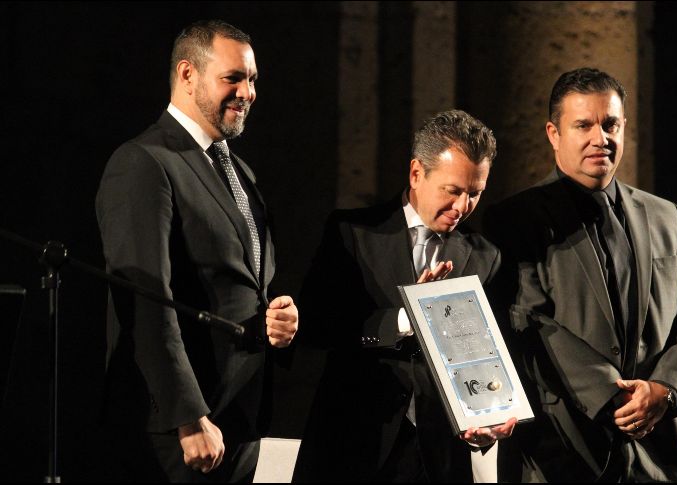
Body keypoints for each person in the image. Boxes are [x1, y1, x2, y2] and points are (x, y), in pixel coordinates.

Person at [95, 19, 298, 482]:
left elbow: (244, 281)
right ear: (187, 74)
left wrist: (276, 319)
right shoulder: (144, 162)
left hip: (239, 420)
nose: (247, 93)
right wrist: (186, 415)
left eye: (252, 80)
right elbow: (145, 300)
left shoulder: (239, 171)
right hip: (179, 430)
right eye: (233, 78)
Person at [486, 67, 677, 482]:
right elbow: (527, 319)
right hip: (565, 451)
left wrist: (664, 390)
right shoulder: (514, 220)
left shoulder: (666, 216)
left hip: (661, 450)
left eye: (610, 124)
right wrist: (612, 395)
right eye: (583, 125)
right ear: (554, 134)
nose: (600, 138)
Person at [292, 110, 517, 483]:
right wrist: (406, 317)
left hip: (438, 457)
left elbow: (486, 357)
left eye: (475, 193)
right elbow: (316, 325)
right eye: (453, 190)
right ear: (416, 173)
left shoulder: (485, 257)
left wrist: (488, 418)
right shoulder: (353, 233)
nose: (462, 207)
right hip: (354, 443)